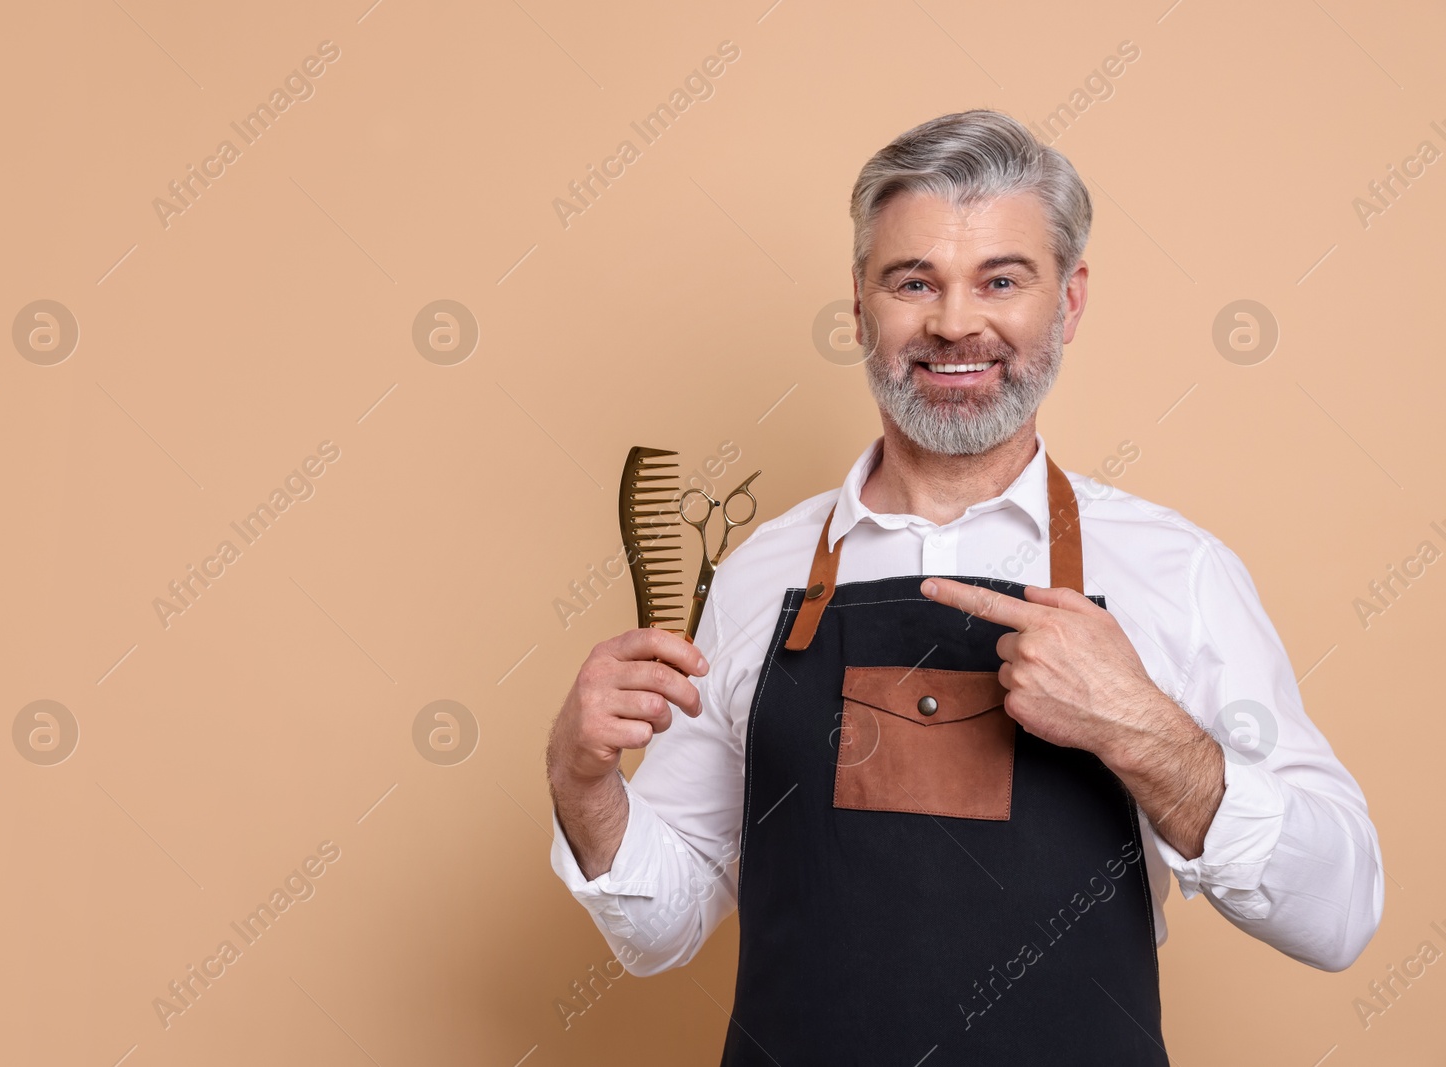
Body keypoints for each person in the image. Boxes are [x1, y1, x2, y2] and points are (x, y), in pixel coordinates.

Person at [543, 109, 1382, 1064]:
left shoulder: (1175, 571)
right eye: (914, 282)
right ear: (861, 307)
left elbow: (1341, 913)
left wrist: (1139, 726)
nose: (954, 323)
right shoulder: (757, 575)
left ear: (1067, 302)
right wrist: (584, 781)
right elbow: (663, 928)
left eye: (1002, 280)